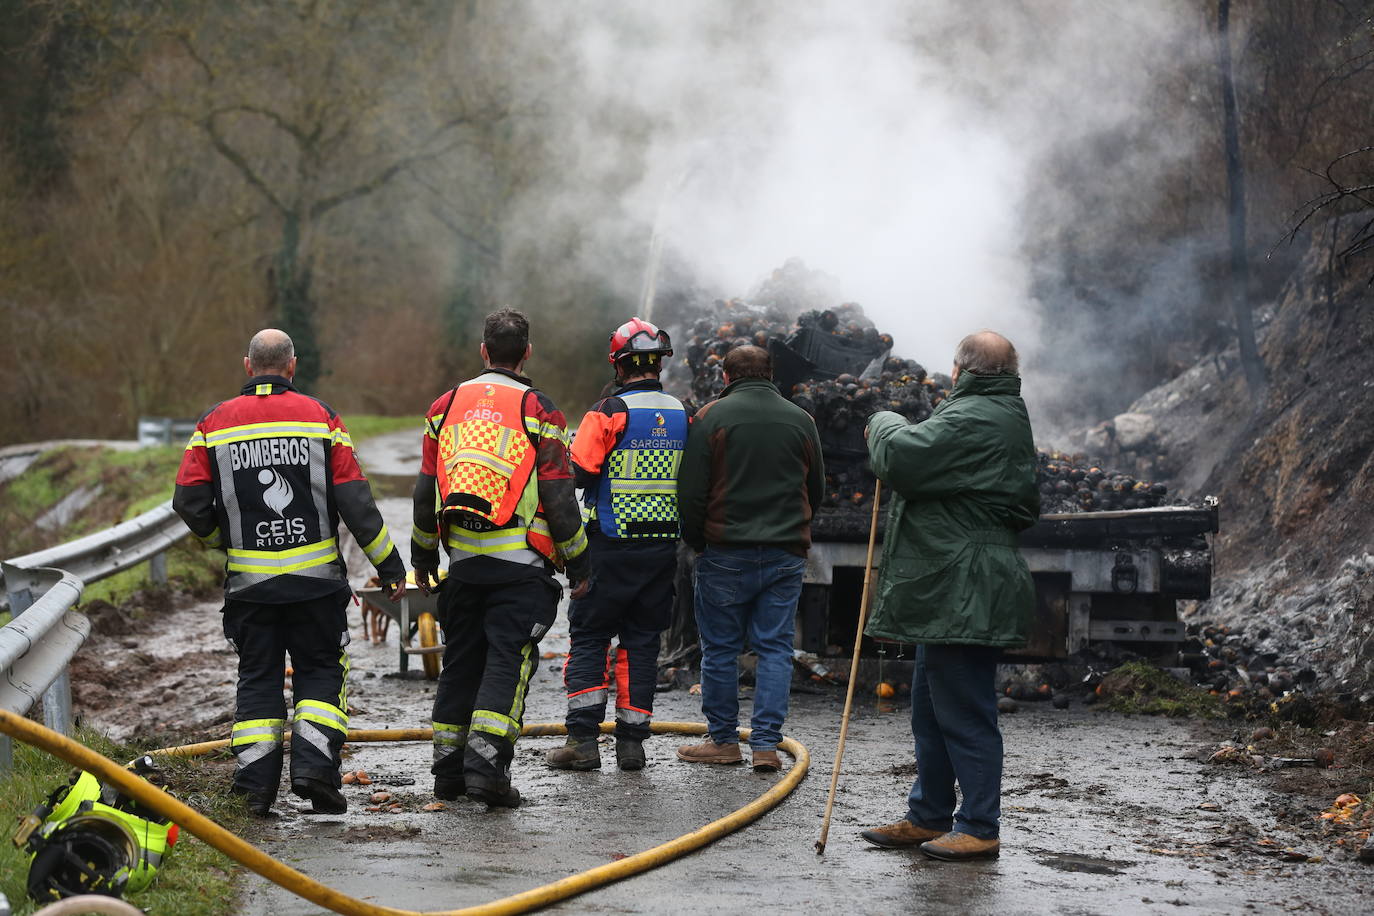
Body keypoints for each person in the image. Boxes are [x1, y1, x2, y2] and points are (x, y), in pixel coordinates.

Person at [173, 329, 406, 817]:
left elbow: (188, 500)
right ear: (292, 367)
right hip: (316, 585)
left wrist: (224, 541)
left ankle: (255, 789)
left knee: (258, 677)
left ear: (247, 366)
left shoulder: (213, 424)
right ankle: (315, 773)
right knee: (320, 672)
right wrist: (388, 565)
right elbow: (356, 501)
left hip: (250, 586)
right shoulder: (322, 419)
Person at [859, 330, 1039, 861]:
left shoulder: (977, 416)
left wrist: (886, 422)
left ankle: (980, 825)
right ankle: (929, 815)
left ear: (960, 370)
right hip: (956, 584)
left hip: (968, 584)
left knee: (964, 711)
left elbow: (902, 461)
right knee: (931, 711)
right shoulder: (989, 412)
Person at [411, 308, 590, 808]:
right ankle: (486, 774)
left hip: (463, 567)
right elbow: (558, 499)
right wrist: (580, 563)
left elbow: (425, 491)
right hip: (521, 568)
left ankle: (448, 775)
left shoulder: (444, 407)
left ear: (484, 351)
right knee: (505, 665)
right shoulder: (540, 411)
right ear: (527, 352)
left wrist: (422, 554)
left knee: (461, 663)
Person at [546, 318, 688, 773]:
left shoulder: (609, 412)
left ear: (618, 364)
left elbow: (579, 473)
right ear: (659, 363)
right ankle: (632, 746)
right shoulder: (684, 413)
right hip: (662, 548)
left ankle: (583, 743)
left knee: (589, 637)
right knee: (642, 643)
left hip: (608, 545)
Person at [675, 344, 824, 772]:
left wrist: (698, 540)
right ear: (771, 374)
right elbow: (816, 489)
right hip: (785, 554)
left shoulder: (710, 418)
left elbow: (691, 493)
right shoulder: (802, 420)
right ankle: (765, 746)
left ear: (726, 377)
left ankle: (723, 741)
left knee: (720, 650)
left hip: (725, 552)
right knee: (775, 648)